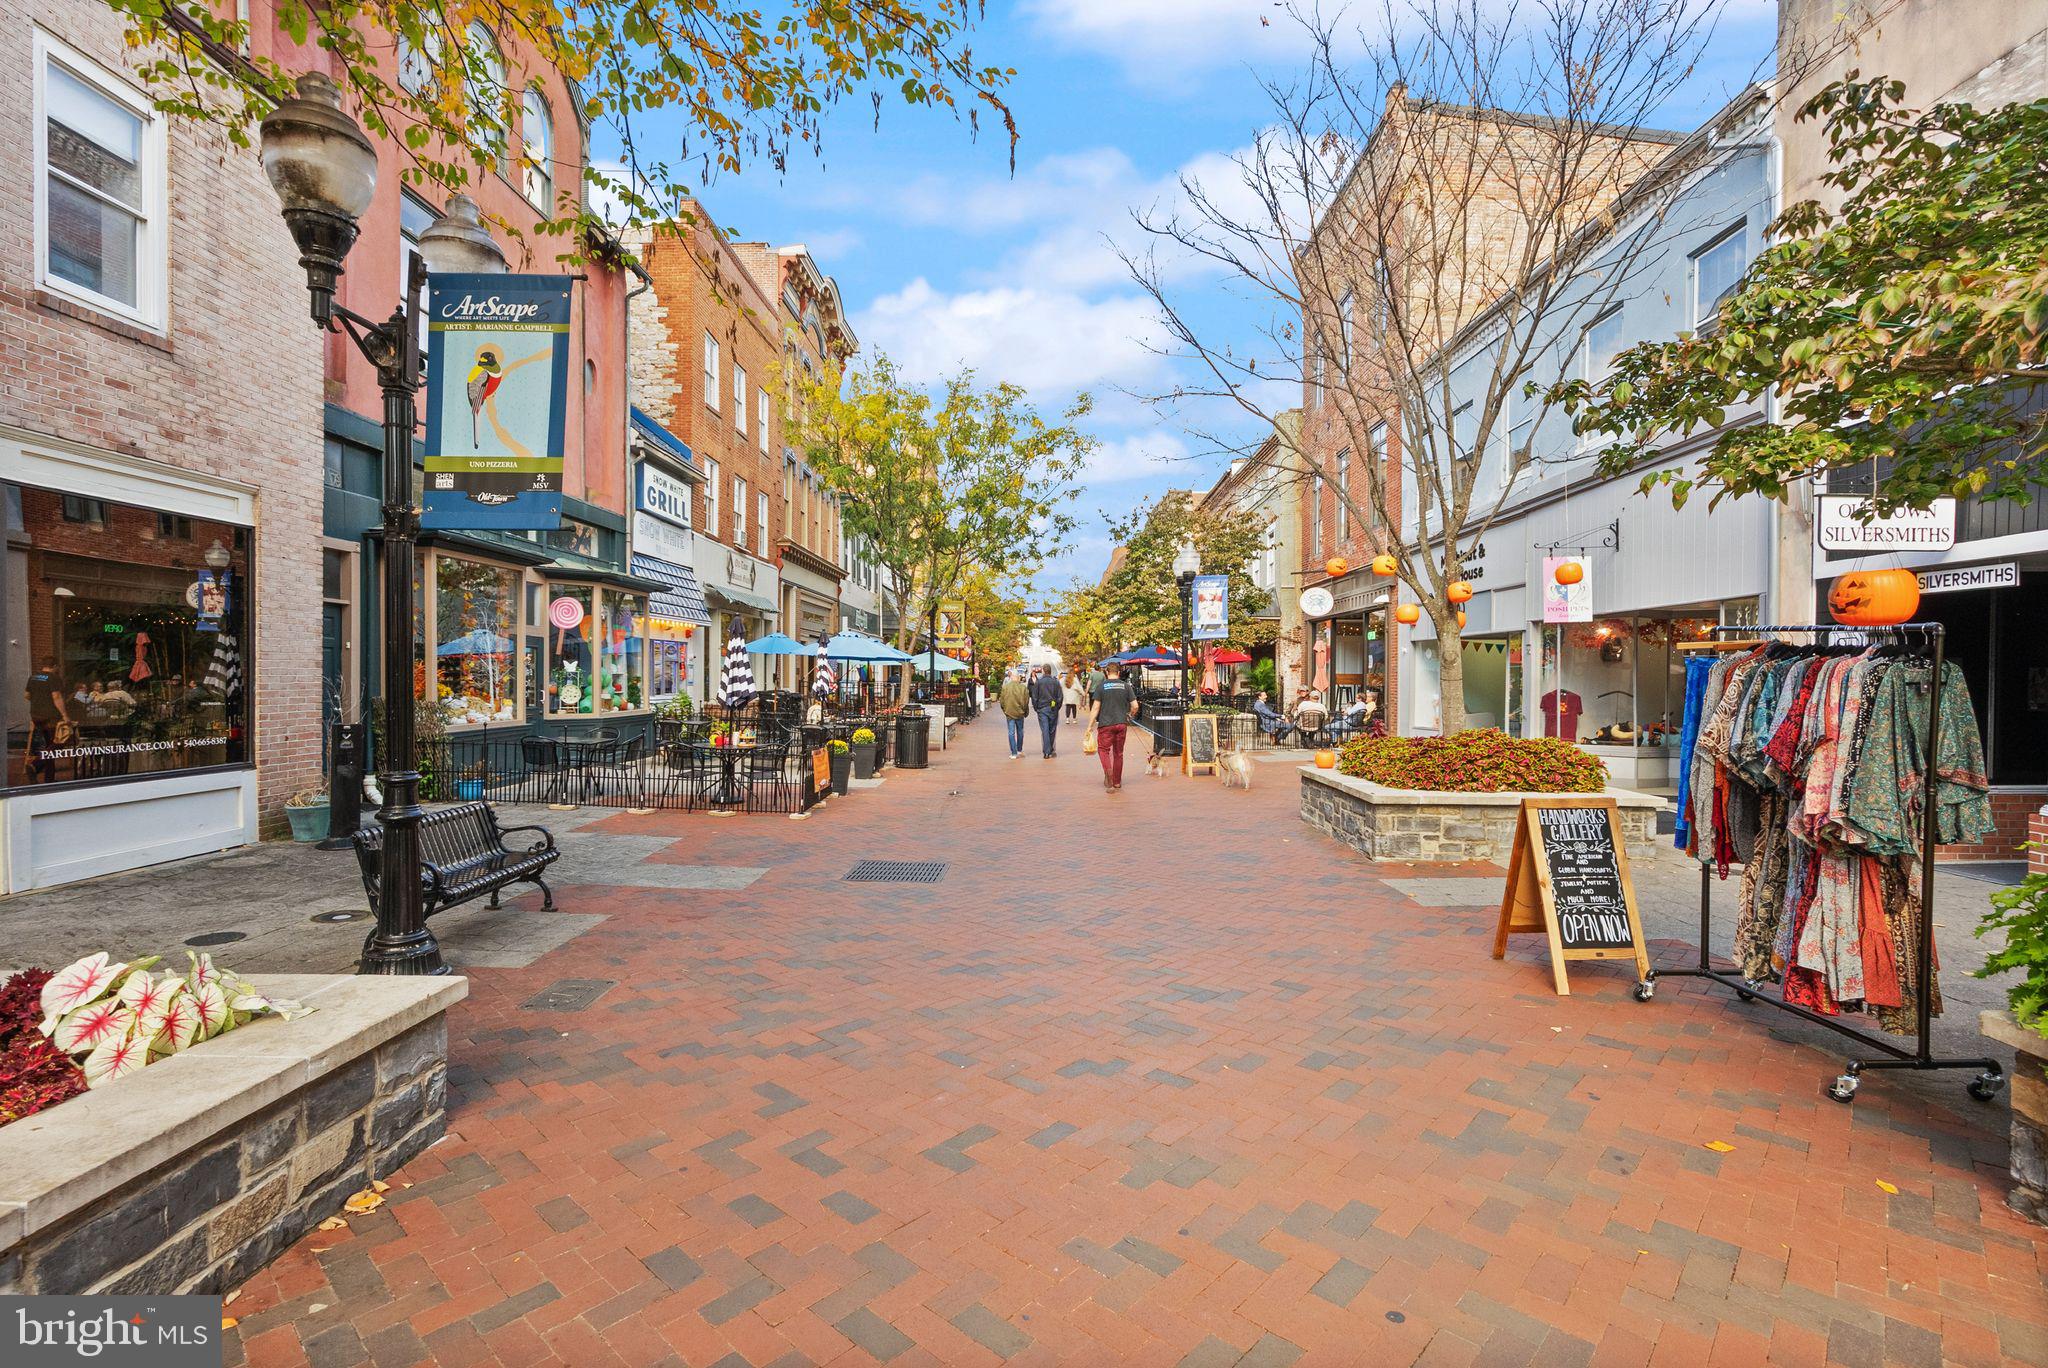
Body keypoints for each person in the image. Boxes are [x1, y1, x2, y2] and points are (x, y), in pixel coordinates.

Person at [1087, 661, 1139, 792]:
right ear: (1119, 673)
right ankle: (1117, 782)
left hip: (1106, 724)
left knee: (1103, 750)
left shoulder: (1101, 687)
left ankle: (1108, 774)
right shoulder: (1126, 686)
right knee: (1118, 753)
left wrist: (1090, 726)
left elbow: (1095, 708)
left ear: (1106, 672)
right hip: (1121, 723)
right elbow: (1135, 706)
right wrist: (1130, 714)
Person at [25, 655, 70, 783]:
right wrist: (65, 715)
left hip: (36, 716)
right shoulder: (54, 678)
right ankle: (36, 764)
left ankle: (49, 779)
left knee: (49, 745)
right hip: (50, 717)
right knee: (60, 742)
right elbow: (56, 697)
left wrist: (39, 700)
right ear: (55, 666)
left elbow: (27, 695)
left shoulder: (33, 677)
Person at [1029, 665, 1063, 758]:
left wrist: (1036, 708)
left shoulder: (1039, 682)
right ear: (1050, 671)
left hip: (1042, 708)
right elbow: (1060, 697)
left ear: (1043, 671)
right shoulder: (1055, 682)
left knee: (1045, 730)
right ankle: (1050, 749)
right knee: (1052, 730)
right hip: (1053, 708)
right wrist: (1057, 707)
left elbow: (1034, 696)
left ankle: (1047, 751)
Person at [998, 668, 1031, 758]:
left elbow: (1002, 701)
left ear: (1011, 677)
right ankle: (1019, 749)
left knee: (1011, 732)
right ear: (1018, 677)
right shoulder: (1023, 688)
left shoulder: (1005, 687)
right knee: (1020, 731)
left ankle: (1014, 753)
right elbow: (1026, 701)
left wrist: (1005, 710)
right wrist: (1024, 711)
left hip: (1009, 712)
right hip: (1020, 713)